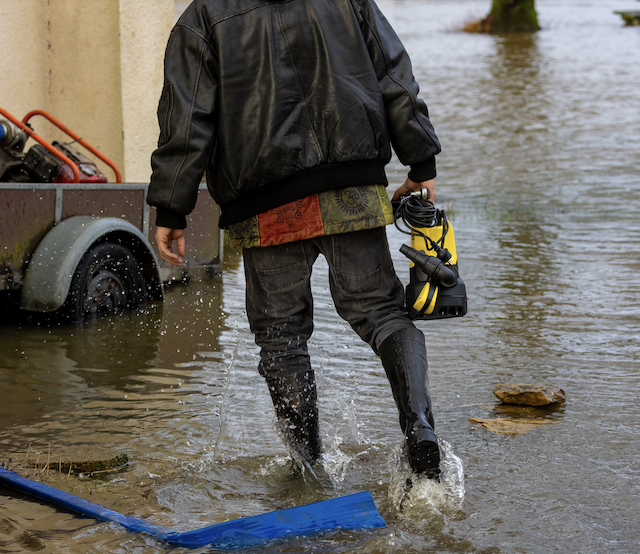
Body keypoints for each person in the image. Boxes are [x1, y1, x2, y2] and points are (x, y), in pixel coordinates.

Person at [147, 0, 442, 479]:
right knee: (383, 314)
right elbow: (394, 73)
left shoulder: (202, 17)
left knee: (281, 338)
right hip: (353, 185)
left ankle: (307, 471)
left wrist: (172, 205)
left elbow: (187, 115)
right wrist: (421, 161)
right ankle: (421, 430)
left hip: (264, 203)